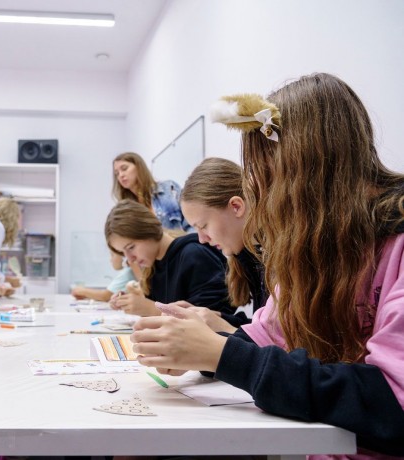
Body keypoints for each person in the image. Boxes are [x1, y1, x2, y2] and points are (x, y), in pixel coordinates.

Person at [131, 73, 404, 457]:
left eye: (268, 173)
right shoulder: (315, 247)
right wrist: (198, 350)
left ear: (312, 166)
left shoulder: (395, 242)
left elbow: (391, 403)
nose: (259, 190)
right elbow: (268, 336)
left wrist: (221, 354)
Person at [175, 157, 268, 333]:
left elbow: (284, 347)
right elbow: (264, 329)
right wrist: (215, 319)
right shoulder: (249, 256)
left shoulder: (278, 259)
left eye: (203, 226)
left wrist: (225, 327)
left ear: (236, 206)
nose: (202, 239)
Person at [104, 200, 233, 317]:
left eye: (131, 247)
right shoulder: (155, 266)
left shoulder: (194, 255)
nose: (130, 259)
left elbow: (213, 320)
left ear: (148, 230)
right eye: (123, 253)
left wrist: (152, 309)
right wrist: (136, 301)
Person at [113, 151, 191, 231]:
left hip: (184, 241)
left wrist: (189, 243)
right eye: (117, 173)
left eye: (124, 168)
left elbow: (191, 223)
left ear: (139, 167)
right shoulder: (126, 210)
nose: (121, 175)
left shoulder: (168, 188)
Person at [71, 249, 135, 302]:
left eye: (112, 255)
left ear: (124, 257)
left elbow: (105, 296)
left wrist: (82, 291)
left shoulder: (127, 273)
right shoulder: (128, 271)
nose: (110, 260)